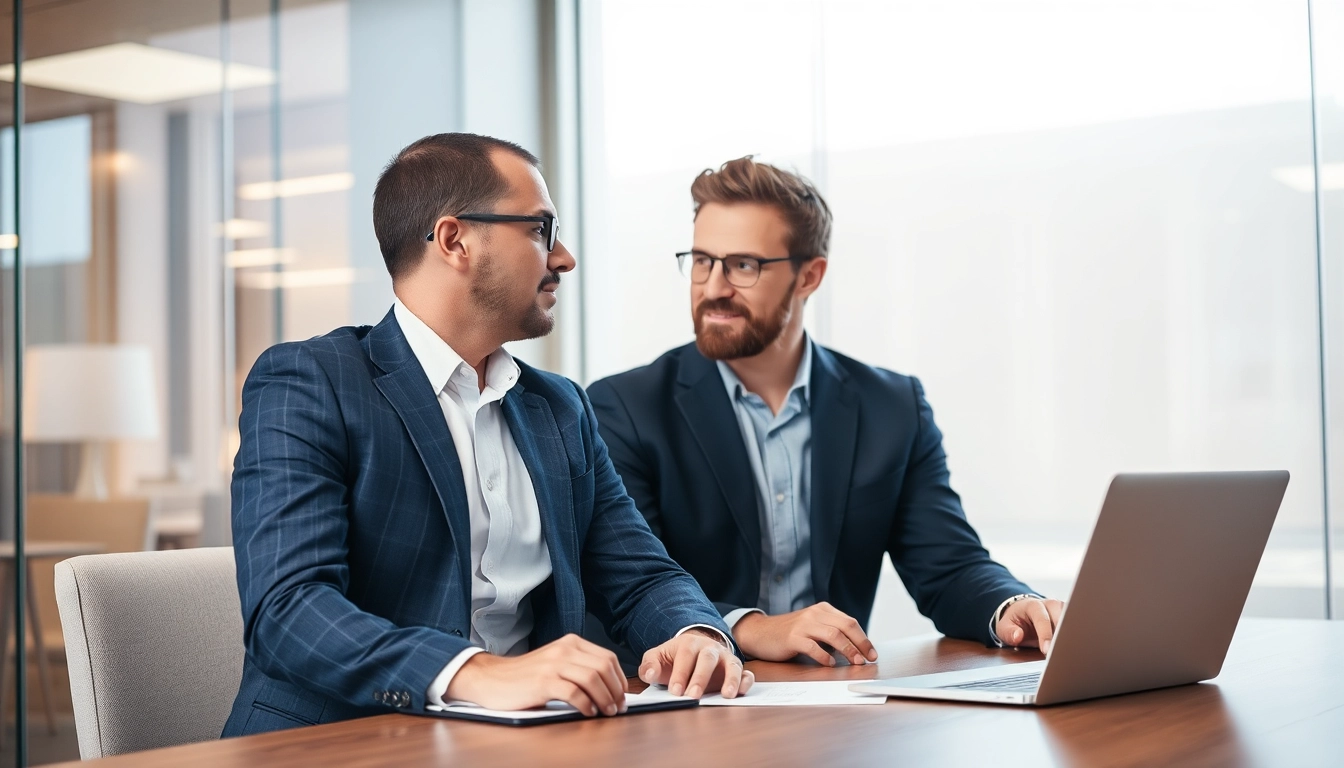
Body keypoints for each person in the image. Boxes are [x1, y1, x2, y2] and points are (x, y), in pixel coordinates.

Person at [223, 134, 750, 738]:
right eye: (540, 231)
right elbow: (289, 612)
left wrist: (696, 636)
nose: (565, 258)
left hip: (529, 742)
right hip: (340, 743)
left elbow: (643, 576)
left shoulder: (559, 407)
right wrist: (478, 673)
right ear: (455, 241)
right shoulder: (312, 381)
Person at [586, 157, 1063, 667]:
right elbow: (632, 585)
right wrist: (753, 626)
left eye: (743, 265)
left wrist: (1015, 605)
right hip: (692, 700)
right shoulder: (623, 408)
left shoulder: (892, 407)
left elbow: (949, 566)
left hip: (838, 701)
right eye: (702, 261)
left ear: (809, 276)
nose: (713, 287)